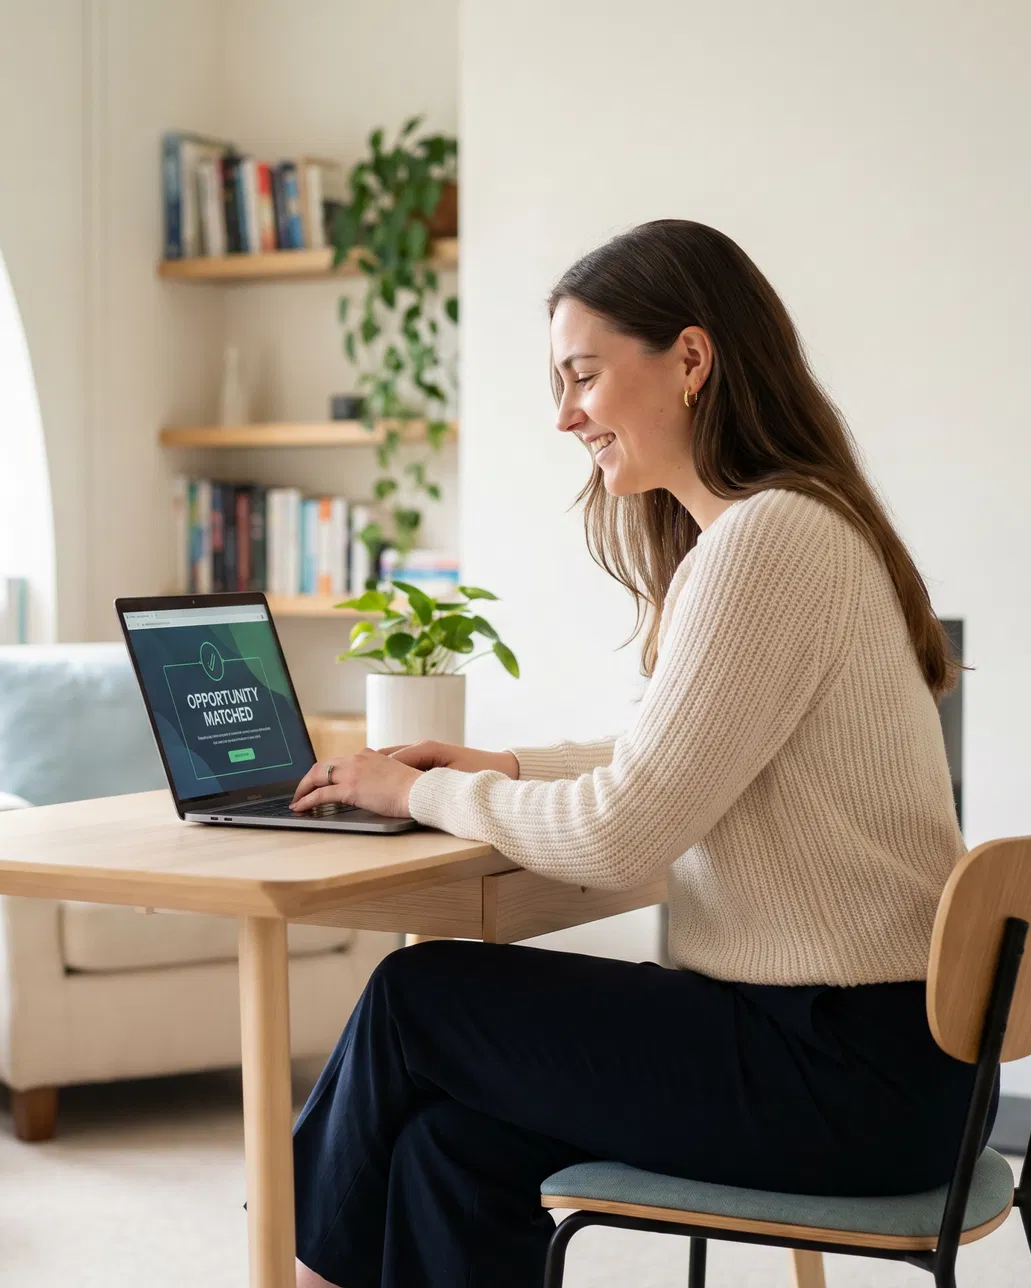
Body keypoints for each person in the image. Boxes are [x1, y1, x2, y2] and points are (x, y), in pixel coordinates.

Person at [284, 219, 971, 1288]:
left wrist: (422, 793)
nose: (564, 417)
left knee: (417, 997)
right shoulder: (784, 528)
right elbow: (661, 753)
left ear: (691, 359)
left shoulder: (767, 540)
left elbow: (622, 829)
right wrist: (498, 769)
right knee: (448, 1148)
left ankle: (279, 1273)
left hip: (841, 1069)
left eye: (584, 377)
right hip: (873, 1063)